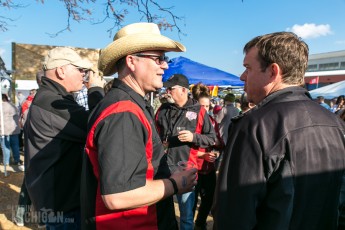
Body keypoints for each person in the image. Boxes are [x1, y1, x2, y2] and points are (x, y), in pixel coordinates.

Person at [212, 32, 345, 230]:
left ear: (273, 71)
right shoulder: (335, 123)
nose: (242, 76)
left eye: (248, 68)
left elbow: (234, 215)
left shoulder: (254, 125)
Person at [81, 22, 197, 230]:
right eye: (158, 58)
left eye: (165, 59)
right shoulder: (123, 112)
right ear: (132, 61)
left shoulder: (129, 105)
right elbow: (118, 196)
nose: (165, 66)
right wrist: (175, 184)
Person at [24, 47, 105, 229]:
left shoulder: (52, 97)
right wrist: (96, 91)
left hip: (60, 199)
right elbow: (98, 127)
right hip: (63, 204)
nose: (84, 76)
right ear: (61, 71)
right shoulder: (51, 101)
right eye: (80, 70)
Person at [155, 74, 216, 230]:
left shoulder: (199, 111)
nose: (167, 91)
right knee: (162, 213)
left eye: (171, 88)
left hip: (185, 170)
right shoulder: (163, 109)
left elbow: (212, 138)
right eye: (167, 88)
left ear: (183, 90)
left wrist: (193, 137)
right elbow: (153, 135)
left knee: (186, 216)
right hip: (162, 168)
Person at [191, 83, 224, 230]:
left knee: (208, 199)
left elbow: (219, 144)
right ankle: (189, 224)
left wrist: (216, 150)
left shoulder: (212, 121)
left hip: (208, 168)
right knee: (190, 202)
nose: (205, 109)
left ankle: (200, 223)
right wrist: (202, 154)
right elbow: (184, 148)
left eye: (207, 106)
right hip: (192, 167)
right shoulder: (190, 121)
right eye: (202, 106)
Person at [0, 94, 23, 168]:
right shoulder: (13, 106)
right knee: (15, 146)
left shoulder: (1, 106)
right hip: (14, 129)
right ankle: (17, 160)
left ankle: (6, 162)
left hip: (4, 129)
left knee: (5, 146)